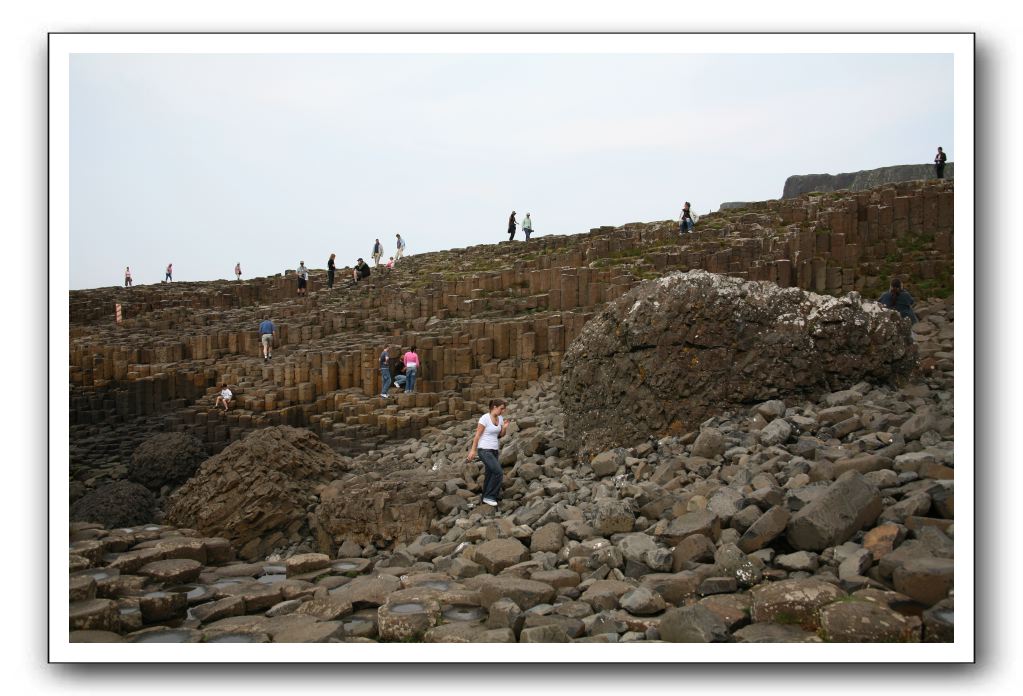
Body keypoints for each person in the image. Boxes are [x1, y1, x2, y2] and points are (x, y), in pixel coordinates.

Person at [466, 399, 510, 507]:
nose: (503, 411)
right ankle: (490, 496)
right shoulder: (484, 418)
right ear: (494, 407)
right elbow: (477, 435)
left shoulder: (500, 418)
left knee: (490, 474)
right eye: (501, 408)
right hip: (484, 450)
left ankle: (484, 497)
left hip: (494, 450)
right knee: (498, 472)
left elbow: (500, 435)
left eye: (504, 409)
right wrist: (473, 450)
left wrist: (504, 428)